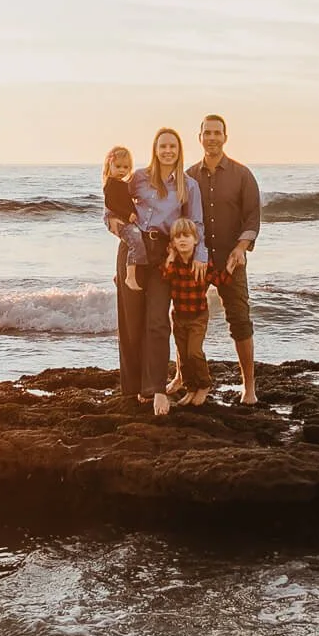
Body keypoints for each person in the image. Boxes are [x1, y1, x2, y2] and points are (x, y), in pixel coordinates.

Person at [105, 127, 207, 416]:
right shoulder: (137, 178)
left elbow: (196, 224)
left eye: (172, 146)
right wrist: (112, 223)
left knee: (158, 320)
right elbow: (113, 205)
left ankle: (156, 389)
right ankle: (133, 388)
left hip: (164, 255)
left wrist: (199, 256)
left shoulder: (189, 186)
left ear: (179, 149)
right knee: (130, 319)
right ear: (155, 148)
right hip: (133, 253)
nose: (167, 151)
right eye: (162, 146)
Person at [191, 113, 262, 405]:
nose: (212, 138)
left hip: (231, 262)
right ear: (200, 138)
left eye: (217, 133)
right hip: (196, 261)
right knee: (188, 320)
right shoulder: (189, 176)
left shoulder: (242, 174)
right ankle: (186, 378)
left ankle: (249, 387)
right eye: (207, 133)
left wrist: (241, 248)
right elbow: (180, 217)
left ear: (225, 137)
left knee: (240, 321)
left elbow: (252, 216)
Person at [160, 217, 212, 405]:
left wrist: (231, 267)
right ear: (172, 242)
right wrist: (171, 258)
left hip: (198, 316)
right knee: (182, 354)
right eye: (177, 237)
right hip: (179, 316)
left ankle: (205, 384)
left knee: (194, 353)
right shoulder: (173, 264)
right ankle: (190, 388)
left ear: (196, 240)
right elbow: (164, 275)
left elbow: (219, 278)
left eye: (187, 236)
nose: (182, 240)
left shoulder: (200, 264)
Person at [101, 146, 144, 290]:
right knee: (135, 241)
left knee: (135, 240)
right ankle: (129, 277)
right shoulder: (111, 183)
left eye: (126, 167)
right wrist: (128, 214)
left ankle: (119, 275)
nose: (122, 170)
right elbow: (111, 203)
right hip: (114, 216)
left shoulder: (123, 184)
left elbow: (126, 201)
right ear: (110, 165)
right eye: (118, 166)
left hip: (123, 217)